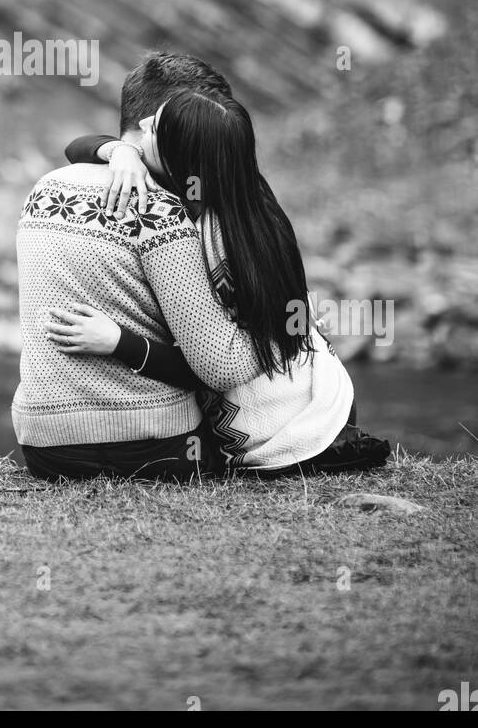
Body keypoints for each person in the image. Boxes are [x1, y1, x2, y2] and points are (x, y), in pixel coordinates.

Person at [47, 74, 390, 476]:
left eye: (153, 127)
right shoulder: (236, 189)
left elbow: (215, 367)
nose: (141, 127)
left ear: (181, 157)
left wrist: (118, 342)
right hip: (322, 387)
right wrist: (121, 153)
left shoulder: (214, 236)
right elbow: (78, 146)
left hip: (296, 419)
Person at [11, 54, 257, 481]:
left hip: (44, 447)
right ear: (159, 123)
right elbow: (219, 368)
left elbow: (80, 146)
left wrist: (117, 149)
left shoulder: (46, 186)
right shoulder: (160, 212)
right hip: (154, 447)